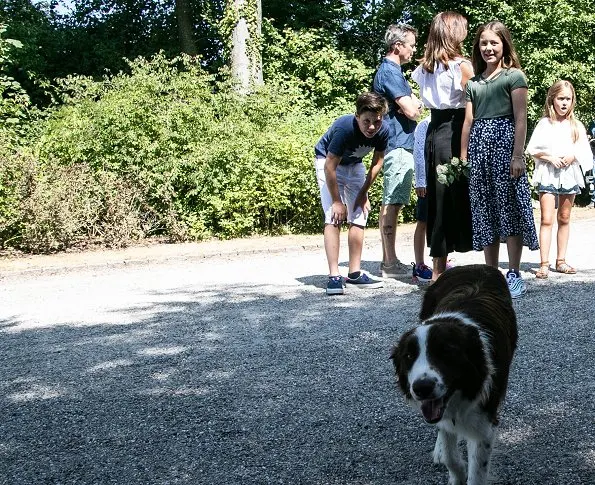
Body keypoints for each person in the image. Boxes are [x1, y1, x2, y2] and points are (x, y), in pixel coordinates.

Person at [460, 21, 539, 298]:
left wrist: (518, 155)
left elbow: (520, 119)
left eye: (494, 42)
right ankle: (491, 276)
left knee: (510, 210)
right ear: (477, 47)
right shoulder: (473, 83)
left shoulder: (514, 77)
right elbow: (468, 121)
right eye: (483, 43)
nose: (488, 48)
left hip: (505, 148)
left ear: (504, 44)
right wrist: (463, 157)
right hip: (480, 150)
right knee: (485, 211)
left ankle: (514, 273)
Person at [411, 11, 474, 283]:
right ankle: (441, 270)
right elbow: (474, 104)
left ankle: (438, 267)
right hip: (456, 130)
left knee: (439, 201)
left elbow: (419, 107)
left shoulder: (425, 67)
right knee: (453, 198)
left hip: (434, 133)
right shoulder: (462, 66)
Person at [314, 92, 389, 295]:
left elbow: (378, 162)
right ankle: (334, 276)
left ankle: (354, 273)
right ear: (357, 116)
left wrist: (364, 192)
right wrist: (338, 201)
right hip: (328, 162)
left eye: (377, 121)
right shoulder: (344, 128)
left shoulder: (383, 131)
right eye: (367, 121)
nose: (372, 127)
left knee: (359, 213)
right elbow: (330, 167)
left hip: (354, 164)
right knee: (333, 215)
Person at [526, 80, 593, 278]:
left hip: (569, 174)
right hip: (549, 173)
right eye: (560, 98)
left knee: (564, 217)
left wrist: (573, 156)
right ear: (552, 100)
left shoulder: (576, 125)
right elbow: (532, 149)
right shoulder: (544, 124)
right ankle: (544, 263)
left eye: (568, 99)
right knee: (547, 218)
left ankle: (561, 260)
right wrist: (549, 157)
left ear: (572, 101)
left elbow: (584, 151)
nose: (564, 103)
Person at [372, 23, 423, 279]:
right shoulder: (390, 73)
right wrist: (416, 104)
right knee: (392, 201)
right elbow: (412, 110)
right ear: (397, 46)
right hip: (398, 144)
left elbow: (410, 107)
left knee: (395, 201)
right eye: (411, 45)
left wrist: (413, 103)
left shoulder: (393, 72)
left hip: (399, 143)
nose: (414, 50)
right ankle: (389, 264)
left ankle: (388, 260)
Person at [411, 115, 433, 283]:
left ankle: (440, 259)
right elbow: (418, 153)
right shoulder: (424, 124)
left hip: (443, 178)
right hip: (426, 180)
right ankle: (419, 264)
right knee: (423, 221)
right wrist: (420, 181)